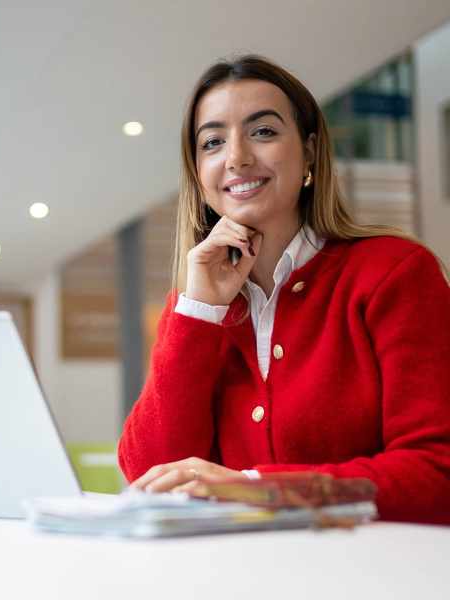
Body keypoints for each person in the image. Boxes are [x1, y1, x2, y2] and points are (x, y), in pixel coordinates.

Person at [117, 54, 450, 525]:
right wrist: (198, 312)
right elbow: (149, 478)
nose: (236, 157)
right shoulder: (195, 306)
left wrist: (254, 488)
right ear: (198, 173)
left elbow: (438, 473)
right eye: (212, 142)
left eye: (263, 132)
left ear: (310, 150)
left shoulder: (393, 273)